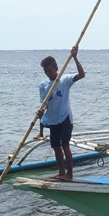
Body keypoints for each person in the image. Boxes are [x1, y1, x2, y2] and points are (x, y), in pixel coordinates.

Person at [37, 45, 86, 181]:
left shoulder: (64, 80)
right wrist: (41, 111)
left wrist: (75, 57)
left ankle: (69, 175)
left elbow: (82, 75)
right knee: (56, 147)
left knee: (65, 145)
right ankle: (61, 172)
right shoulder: (44, 85)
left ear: (56, 68)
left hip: (65, 118)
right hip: (53, 120)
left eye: (50, 70)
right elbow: (45, 103)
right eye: (46, 71)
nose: (48, 73)